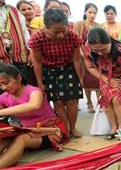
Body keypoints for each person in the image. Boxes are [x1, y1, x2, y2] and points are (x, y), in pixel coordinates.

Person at [0, 64, 69, 170]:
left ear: (18, 77)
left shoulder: (34, 91)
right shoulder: (5, 97)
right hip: (27, 131)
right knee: (3, 138)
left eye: (6, 83)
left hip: (49, 132)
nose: (3, 88)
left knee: (21, 139)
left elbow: (33, 105)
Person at [29, 9, 84, 138]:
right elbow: (37, 62)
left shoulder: (73, 36)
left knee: (72, 101)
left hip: (68, 68)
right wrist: (40, 82)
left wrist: (80, 77)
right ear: (46, 28)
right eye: (55, 32)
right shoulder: (37, 38)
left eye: (63, 31)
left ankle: (73, 128)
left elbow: (77, 59)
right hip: (49, 70)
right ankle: (64, 130)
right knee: (58, 102)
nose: (60, 35)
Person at [84, 28, 121, 139]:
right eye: (96, 50)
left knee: (116, 99)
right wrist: (107, 80)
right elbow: (90, 67)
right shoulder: (88, 49)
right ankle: (113, 126)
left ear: (109, 41)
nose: (100, 53)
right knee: (105, 100)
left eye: (103, 49)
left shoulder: (120, 51)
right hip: (105, 78)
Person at [74, 3, 101, 113]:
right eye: (90, 12)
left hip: (95, 57)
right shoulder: (79, 24)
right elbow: (76, 41)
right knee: (86, 80)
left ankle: (100, 103)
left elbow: (100, 41)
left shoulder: (98, 25)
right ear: (85, 12)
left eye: (94, 13)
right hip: (81, 56)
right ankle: (89, 102)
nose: (92, 15)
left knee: (97, 79)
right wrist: (83, 54)